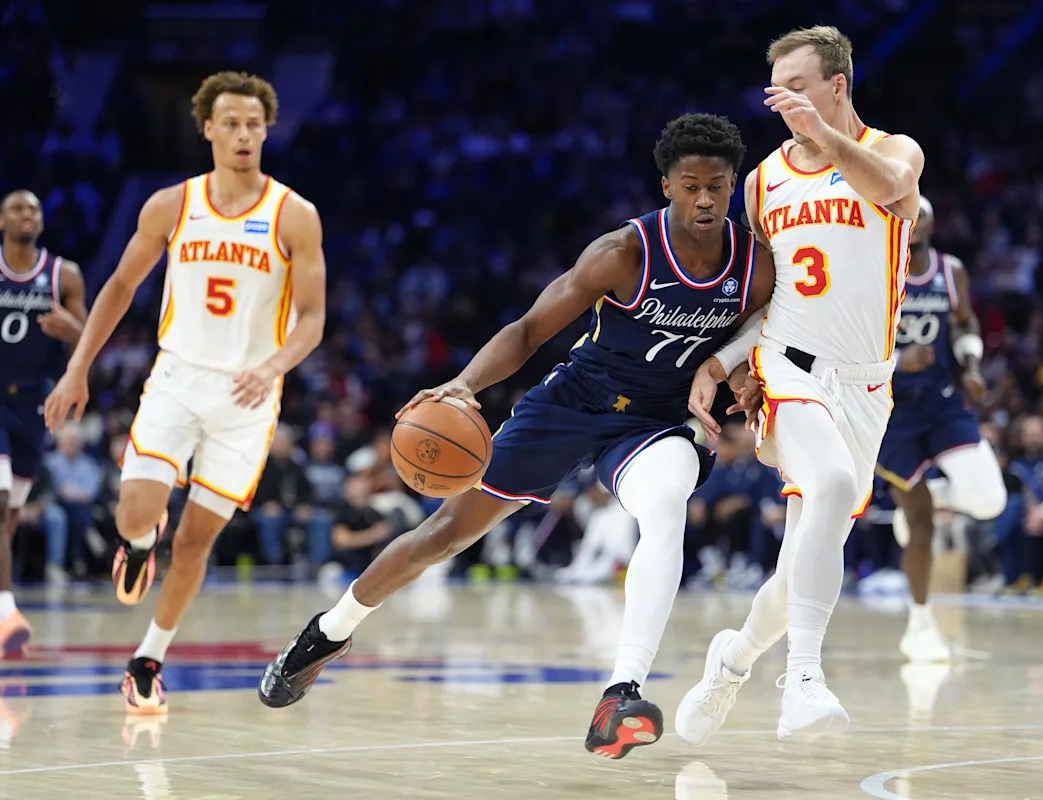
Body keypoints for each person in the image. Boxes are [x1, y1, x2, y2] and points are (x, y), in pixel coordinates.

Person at [259, 113, 775, 761]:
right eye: (691, 184)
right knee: (445, 532)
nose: (705, 198)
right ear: (666, 185)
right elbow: (530, 330)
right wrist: (464, 387)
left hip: (656, 420)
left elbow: (765, 338)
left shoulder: (754, 266)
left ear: (734, 187)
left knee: (666, 509)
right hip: (574, 401)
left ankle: (621, 693)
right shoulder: (622, 254)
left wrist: (747, 378)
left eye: (719, 186)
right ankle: (329, 632)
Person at [43, 71, 327, 713]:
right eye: (231, 123)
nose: (244, 134)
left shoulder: (294, 215)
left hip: (248, 400)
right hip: (176, 378)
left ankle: (148, 658)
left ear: (267, 130)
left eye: (254, 124)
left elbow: (312, 318)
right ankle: (138, 544)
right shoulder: (172, 204)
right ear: (207, 128)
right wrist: (78, 366)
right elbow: (118, 287)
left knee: (197, 540)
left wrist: (274, 365)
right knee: (135, 514)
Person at [678, 25, 925, 744]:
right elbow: (761, 299)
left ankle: (732, 660)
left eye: (798, 85)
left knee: (801, 566)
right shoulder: (760, 182)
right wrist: (725, 365)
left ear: (837, 85)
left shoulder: (892, 150)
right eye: (776, 87)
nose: (782, 99)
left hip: (867, 386)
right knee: (831, 490)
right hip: (789, 369)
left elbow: (895, 191)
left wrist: (824, 134)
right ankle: (805, 680)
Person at [871, 196, 1006, 662]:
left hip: (944, 402)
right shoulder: (875, 273)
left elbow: (966, 324)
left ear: (929, 223)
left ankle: (943, 494)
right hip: (891, 411)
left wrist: (971, 364)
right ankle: (920, 626)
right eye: (903, 217)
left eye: (918, 215)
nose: (912, 223)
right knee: (921, 525)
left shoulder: (952, 272)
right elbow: (849, 346)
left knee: (991, 502)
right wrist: (896, 363)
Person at [0, 189, 87, 656]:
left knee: (9, 518)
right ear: (1, 219)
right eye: (16, 207)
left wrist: (72, 331)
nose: (26, 214)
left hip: (33, 409)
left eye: (34, 208)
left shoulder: (62, 275)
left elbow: (88, 345)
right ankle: (6, 612)